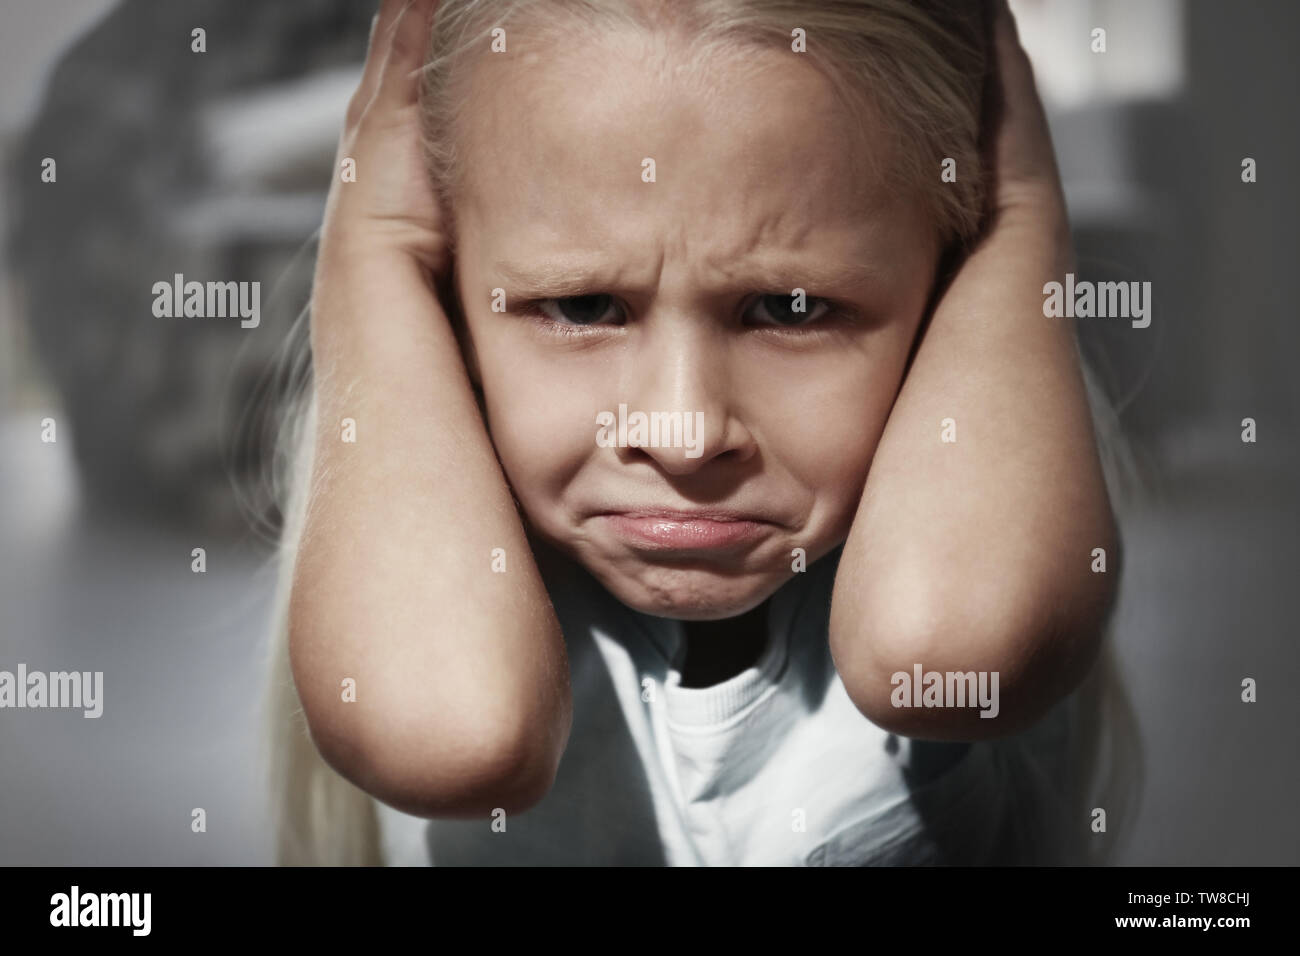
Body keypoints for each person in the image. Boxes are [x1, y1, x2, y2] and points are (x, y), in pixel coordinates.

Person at [265, 0, 1141, 866]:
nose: (682, 435)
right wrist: (369, 258)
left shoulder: (974, 538)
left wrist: (1021, 224)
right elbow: (453, 738)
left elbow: (945, 645)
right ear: (444, 296)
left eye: (789, 309)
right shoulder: (428, 569)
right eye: (581, 306)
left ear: (955, 287)